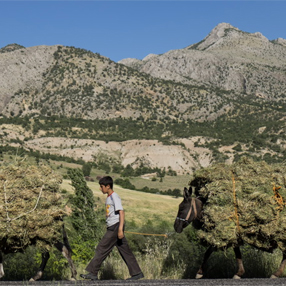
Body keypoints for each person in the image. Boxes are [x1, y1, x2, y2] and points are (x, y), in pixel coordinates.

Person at [80, 176, 144, 281]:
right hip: (113, 226)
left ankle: (93, 273)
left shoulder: (115, 197)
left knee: (101, 248)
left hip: (115, 227)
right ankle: (137, 273)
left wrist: (120, 229)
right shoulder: (109, 197)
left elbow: (121, 212)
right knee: (125, 250)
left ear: (108, 186)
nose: (100, 189)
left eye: (102, 187)